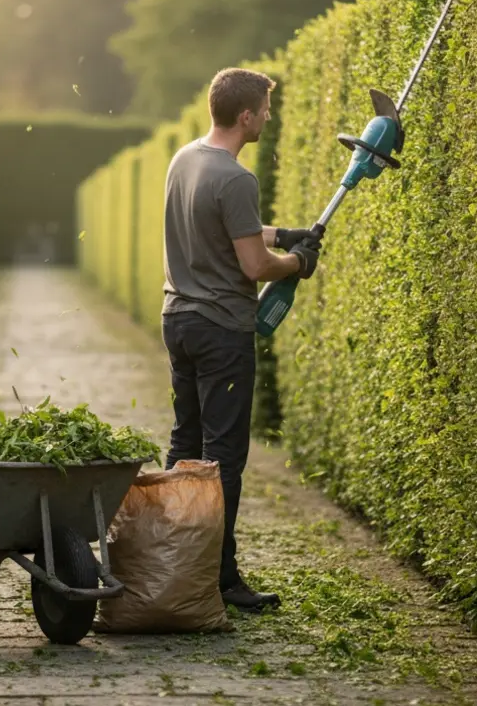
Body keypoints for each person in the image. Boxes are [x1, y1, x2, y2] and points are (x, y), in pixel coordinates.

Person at [159, 67, 322, 613]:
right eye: (266, 111)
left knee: (184, 447)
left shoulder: (186, 159)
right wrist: (296, 262)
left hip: (179, 320)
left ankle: (173, 562)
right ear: (246, 115)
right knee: (223, 458)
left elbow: (227, 227)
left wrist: (285, 234)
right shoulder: (237, 178)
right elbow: (254, 266)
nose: (269, 119)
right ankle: (220, 577)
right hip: (221, 329)